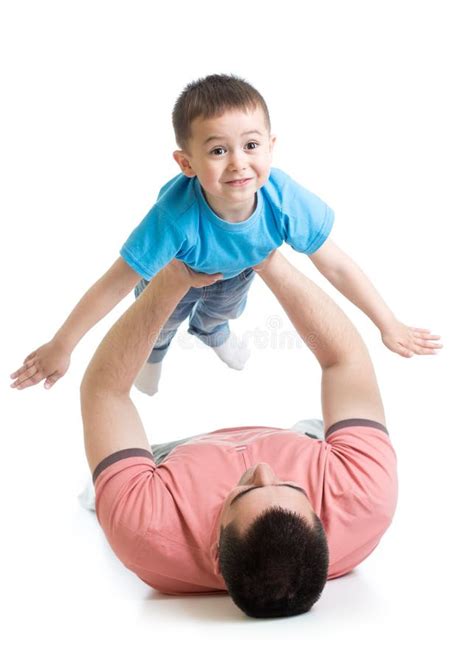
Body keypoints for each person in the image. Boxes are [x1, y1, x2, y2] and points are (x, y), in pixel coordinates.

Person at [10, 74, 440, 396]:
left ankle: (212, 333)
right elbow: (113, 284)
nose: (238, 163)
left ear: (270, 146)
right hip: (173, 273)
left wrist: (388, 323)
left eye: (251, 146)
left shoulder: (282, 197)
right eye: (218, 151)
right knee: (162, 322)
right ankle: (156, 354)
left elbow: (338, 265)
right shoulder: (173, 218)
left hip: (236, 273)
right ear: (187, 163)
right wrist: (62, 344)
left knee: (222, 312)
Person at [79, 251, 440, 619]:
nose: (264, 468)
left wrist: (172, 281)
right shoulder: (365, 498)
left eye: (247, 491)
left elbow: (105, 390)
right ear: (324, 531)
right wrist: (268, 260)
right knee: (328, 433)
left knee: (105, 490)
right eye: (292, 487)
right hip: (302, 441)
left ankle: (106, 487)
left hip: (170, 462)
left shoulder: (146, 527)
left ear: (217, 551)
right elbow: (344, 360)